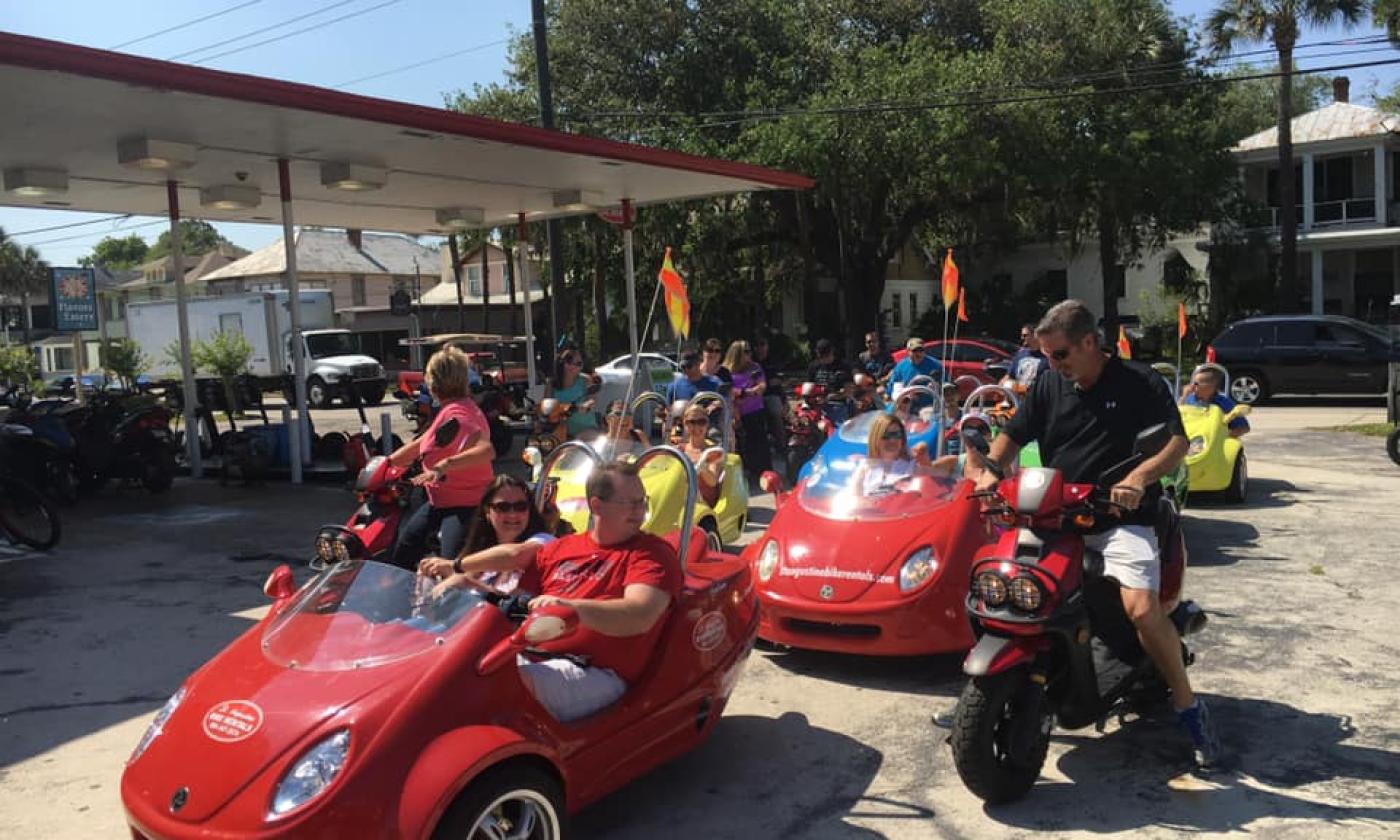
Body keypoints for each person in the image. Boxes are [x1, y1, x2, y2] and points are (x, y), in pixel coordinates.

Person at [971, 299, 1219, 768]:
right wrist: (991, 470)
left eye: (1060, 354)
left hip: (1119, 518)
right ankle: (985, 688)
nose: (1052, 363)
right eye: (1047, 355)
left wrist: (1138, 478)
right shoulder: (1049, 383)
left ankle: (1189, 707)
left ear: (1089, 342)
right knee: (1000, 588)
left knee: (1142, 610)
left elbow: (1176, 443)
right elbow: (1014, 434)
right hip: (1054, 517)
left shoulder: (1139, 382)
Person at [523, 462, 682, 722]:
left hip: (597, 672)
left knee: (506, 685)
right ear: (597, 505)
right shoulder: (559, 549)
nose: (640, 511)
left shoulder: (651, 554)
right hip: (533, 656)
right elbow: (515, 599)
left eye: (642, 501)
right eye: (629, 503)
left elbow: (639, 614)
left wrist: (570, 608)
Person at [388, 347, 496, 570]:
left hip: (465, 506)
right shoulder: (451, 410)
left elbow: (486, 451)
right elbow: (425, 441)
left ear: (434, 381)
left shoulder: (459, 413)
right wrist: (386, 463)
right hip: (439, 502)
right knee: (404, 552)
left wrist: (443, 466)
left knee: (451, 566)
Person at [417, 474, 556, 598]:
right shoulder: (482, 559)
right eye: (503, 507)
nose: (513, 514)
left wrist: (456, 567)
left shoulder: (544, 541)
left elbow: (515, 555)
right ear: (487, 511)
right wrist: (433, 577)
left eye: (521, 506)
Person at [852, 413, 955, 494]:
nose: (892, 440)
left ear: (902, 439)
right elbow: (854, 499)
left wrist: (925, 460)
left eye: (897, 435)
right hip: (872, 513)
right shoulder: (864, 468)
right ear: (876, 438)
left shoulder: (911, 467)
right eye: (886, 435)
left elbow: (947, 477)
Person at [725, 339, 773, 477]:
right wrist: (741, 393)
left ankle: (763, 471)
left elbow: (762, 386)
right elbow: (728, 390)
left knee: (759, 441)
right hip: (735, 412)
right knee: (740, 444)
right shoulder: (727, 370)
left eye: (750, 351)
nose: (750, 354)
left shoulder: (755, 367)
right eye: (746, 351)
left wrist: (747, 392)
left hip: (754, 409)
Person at [544, 348, 600, 439]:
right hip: (561, 431)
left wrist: (586, 405)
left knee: (576, 441)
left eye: (580, 364)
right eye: (570, 361)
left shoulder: (586, 379)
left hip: (587, 430)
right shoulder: (551, 383)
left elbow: (592, 400)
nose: (577, 366)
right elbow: (546, 407)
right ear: (563, 363)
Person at [1181, 367, 1249, 438]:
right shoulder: (1189, 399)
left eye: (1196, 383)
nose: (1192, 386)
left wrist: (1225, 435)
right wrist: (1184, 396)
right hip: (1193, 437)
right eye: (1192, 383)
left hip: (1216, 439)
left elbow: (1244, 428)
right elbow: (1178, 415)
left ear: (1211, 386)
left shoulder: (1224, 402)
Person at [678, 403, 726, 506]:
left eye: (701, 422)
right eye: (692, 422)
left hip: (703, 505)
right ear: (685, 424)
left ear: (707, 424)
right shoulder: (679, 450)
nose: (696, 427)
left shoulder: (712, 451)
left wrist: (702, 467)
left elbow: (712, 481)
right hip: (681, 501)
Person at [806, 338, 852, 423]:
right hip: (817, 404)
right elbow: (809, 387)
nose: (823, 359)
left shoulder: (843, 366)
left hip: (837, 404)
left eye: (826, 356)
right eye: (821, 356)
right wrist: (812, 399)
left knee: (838, 423)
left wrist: (829, 397)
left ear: (831, 352)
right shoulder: (814, 366)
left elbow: (848, 391)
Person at [1007, 323, 1049, 388]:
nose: (1022, 338)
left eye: (1025, 335)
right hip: (1017, 392)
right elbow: (1009, 377)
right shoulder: (1020, 355)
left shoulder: (1048, 357)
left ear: (1035, 335)